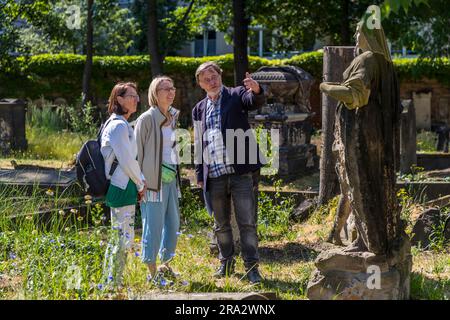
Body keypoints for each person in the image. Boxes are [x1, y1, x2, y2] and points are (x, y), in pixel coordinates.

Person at [320, 15, 401, 254]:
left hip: (360, 133)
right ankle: (379, 239)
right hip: (376, 131)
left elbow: (356, 96)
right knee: (375, 184)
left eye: (358, 33)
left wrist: (326, 86)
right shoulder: (385, 63)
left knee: (361, 184)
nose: (356, 37)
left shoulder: (367, 59)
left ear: (368, 35)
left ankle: (365, 242)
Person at [191, 61, 266, 284]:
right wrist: (199, 174)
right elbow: (198, 143)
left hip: (240, 173)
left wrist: (256, 88)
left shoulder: (236, 94)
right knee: (221, 224)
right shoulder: (198, 109)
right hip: (214, 176)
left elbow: (253, 101)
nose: (211, 80)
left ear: (220, 76)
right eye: (206, 78)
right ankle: (226, 262)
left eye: (213, 75)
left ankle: (252, 267)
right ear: (200, 84)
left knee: (247, 222)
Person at [134, 76, 181, 285]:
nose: (170, 92)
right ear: (155, 92)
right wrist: (140, 182)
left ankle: (166, 265)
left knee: (173, 223)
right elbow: (137, 153)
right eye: (165, 89)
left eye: (172, 88)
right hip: (152, 180)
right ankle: (152, 273)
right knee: (153, 224)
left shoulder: (173, 116)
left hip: (171, 178)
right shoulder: (146, 118)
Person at [101, 82, 146, 288]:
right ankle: (112, 283)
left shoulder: (120, 124)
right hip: (122, 184)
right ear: (119, 99)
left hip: (124, 182)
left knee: (122, 236)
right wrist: (140, 183)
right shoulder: (118, 125)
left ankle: (112, 281)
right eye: (131, 96)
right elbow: (127, 160)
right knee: (121, 237)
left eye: (137, 96)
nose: (136, 99)